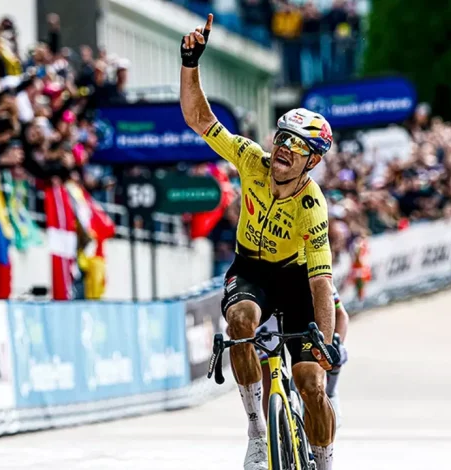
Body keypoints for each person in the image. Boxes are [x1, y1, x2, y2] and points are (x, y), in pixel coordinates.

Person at [180, 14, 341, 470]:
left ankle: (324, 460)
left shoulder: (312, 206)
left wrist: (323, 343)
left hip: (297, 281)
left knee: (311, 382)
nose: (285, 148)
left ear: (311, 161)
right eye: (283, 137)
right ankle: (256, 431)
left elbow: (320, 283)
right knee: (241, 324)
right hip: (250, 269)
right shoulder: (252, 159)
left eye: (297, 145)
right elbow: (199, 118)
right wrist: (190, 63)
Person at [256, 283, 349, 427]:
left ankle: (330, 392)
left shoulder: (312, 276)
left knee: (331, 347)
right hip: (269, 319)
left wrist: (334, 344)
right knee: (269, 378)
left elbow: (341, 315)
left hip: (301, 314)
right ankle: (274, 435)